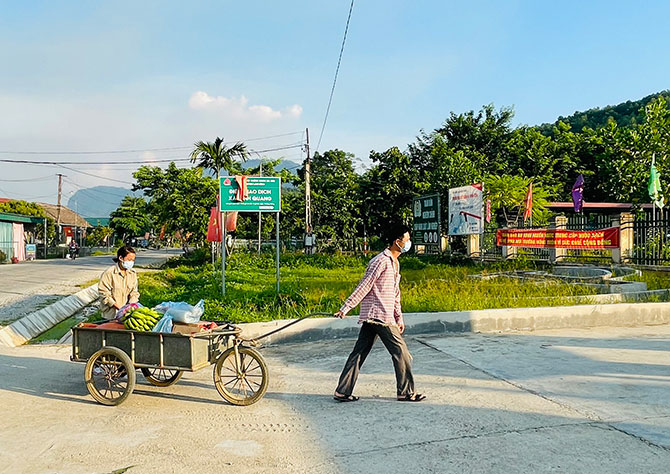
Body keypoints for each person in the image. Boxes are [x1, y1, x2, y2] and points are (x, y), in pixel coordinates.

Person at [333, 223, 426, 403]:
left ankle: (342, 391)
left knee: (358, 353)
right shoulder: (380, 261)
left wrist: (399, 317)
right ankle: (406, 392)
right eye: (407, 240)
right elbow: (365, 285)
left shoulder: (394, 262)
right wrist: (346, 307)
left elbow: (395, 293)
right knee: (401, 352)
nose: (409, 243)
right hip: (379, 315)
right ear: (397, 242)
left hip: (380, 315)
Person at [98, 246, 140, 321]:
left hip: (127, 316)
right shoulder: (109, 273)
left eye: (133, 260)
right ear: (121, 258)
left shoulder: (132, 273)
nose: (131, 262)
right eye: (129, 260)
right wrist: (120, 308)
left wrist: (130, 307)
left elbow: (134, 293)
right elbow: (104, 294)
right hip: (111, 315)